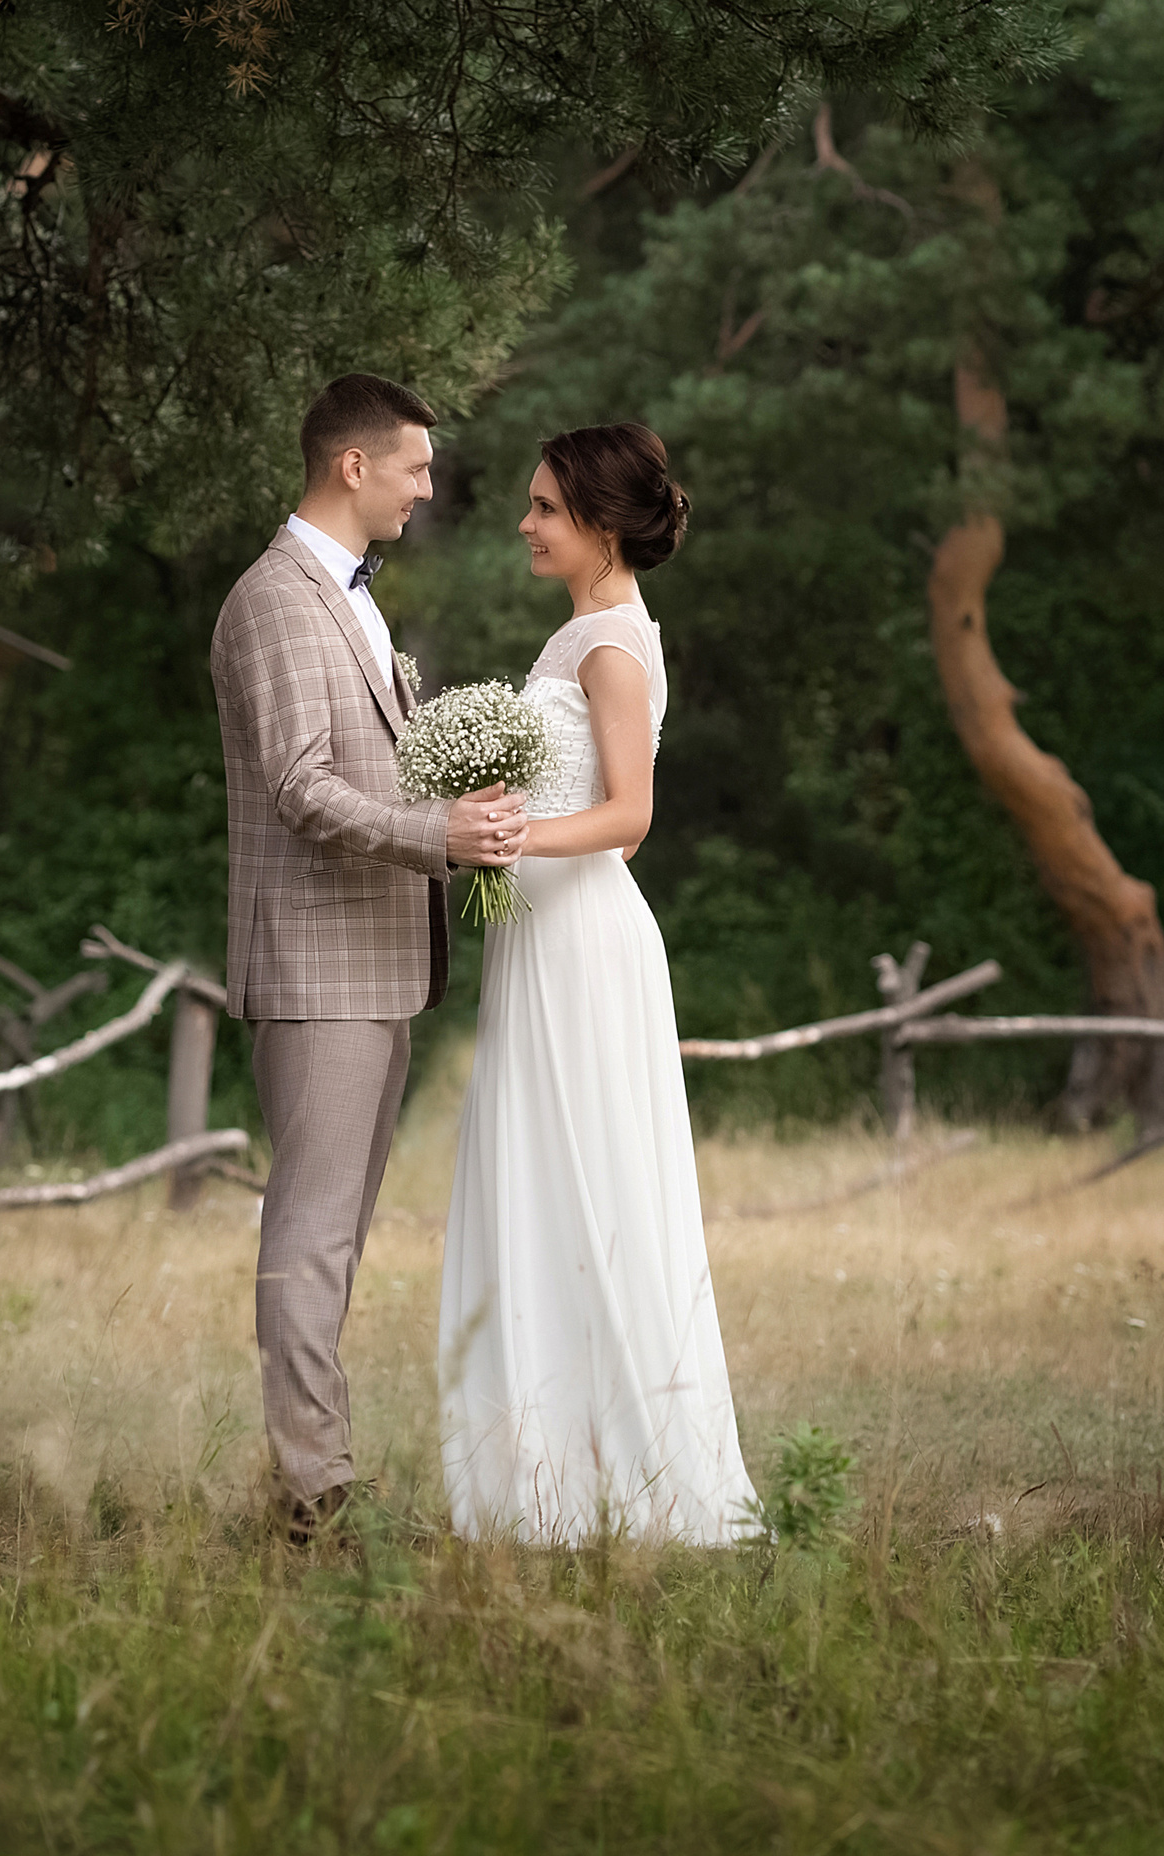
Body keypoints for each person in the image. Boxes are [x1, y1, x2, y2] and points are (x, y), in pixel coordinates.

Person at [211, 373, 528, 1543]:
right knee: (310, 1226)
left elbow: (369, 768)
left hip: (375, 962)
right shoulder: (279, 599)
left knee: (334, 1226)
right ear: (353, 465)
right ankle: (311, 1489)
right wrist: (435, 836)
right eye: (415, 466)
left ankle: (316, 1469)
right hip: (316, 967)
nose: (427, 486)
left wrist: (463, 803)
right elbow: (299, 786)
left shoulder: (347, 597)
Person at [438, 422, 757, 1545]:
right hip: (543, 939)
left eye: (542, 508)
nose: (523, 524)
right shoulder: (580, 632)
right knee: (542, 1183)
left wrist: (506, 837)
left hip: (582, 946)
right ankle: (550, 1481)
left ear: (603, 523)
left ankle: (631, 1482)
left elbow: (629, 820)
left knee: (588, 1183)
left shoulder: (611, 644)